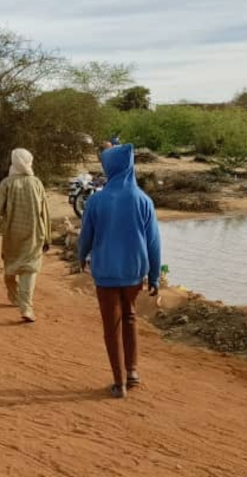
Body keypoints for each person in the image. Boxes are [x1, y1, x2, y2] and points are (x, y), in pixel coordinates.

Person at [77, 144, 162, 399]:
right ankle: (133, 371)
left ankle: (119, 382)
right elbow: (154, 242)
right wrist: (155, 275)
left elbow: (86, 237)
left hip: (105, 271)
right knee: (130, 316)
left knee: (111, 324)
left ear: (110, 168)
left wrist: (81, 256)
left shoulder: (96, 200)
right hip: (134, 272)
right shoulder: (143, 200)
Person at [0, 149, 51, 323]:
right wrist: (47, 237)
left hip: (13, 234)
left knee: (13, 268)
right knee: (28, 268)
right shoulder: (37, 183)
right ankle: (22, 303)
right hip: (35, 233)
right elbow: (46, 213)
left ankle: (24, 305)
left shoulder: (6, 183)